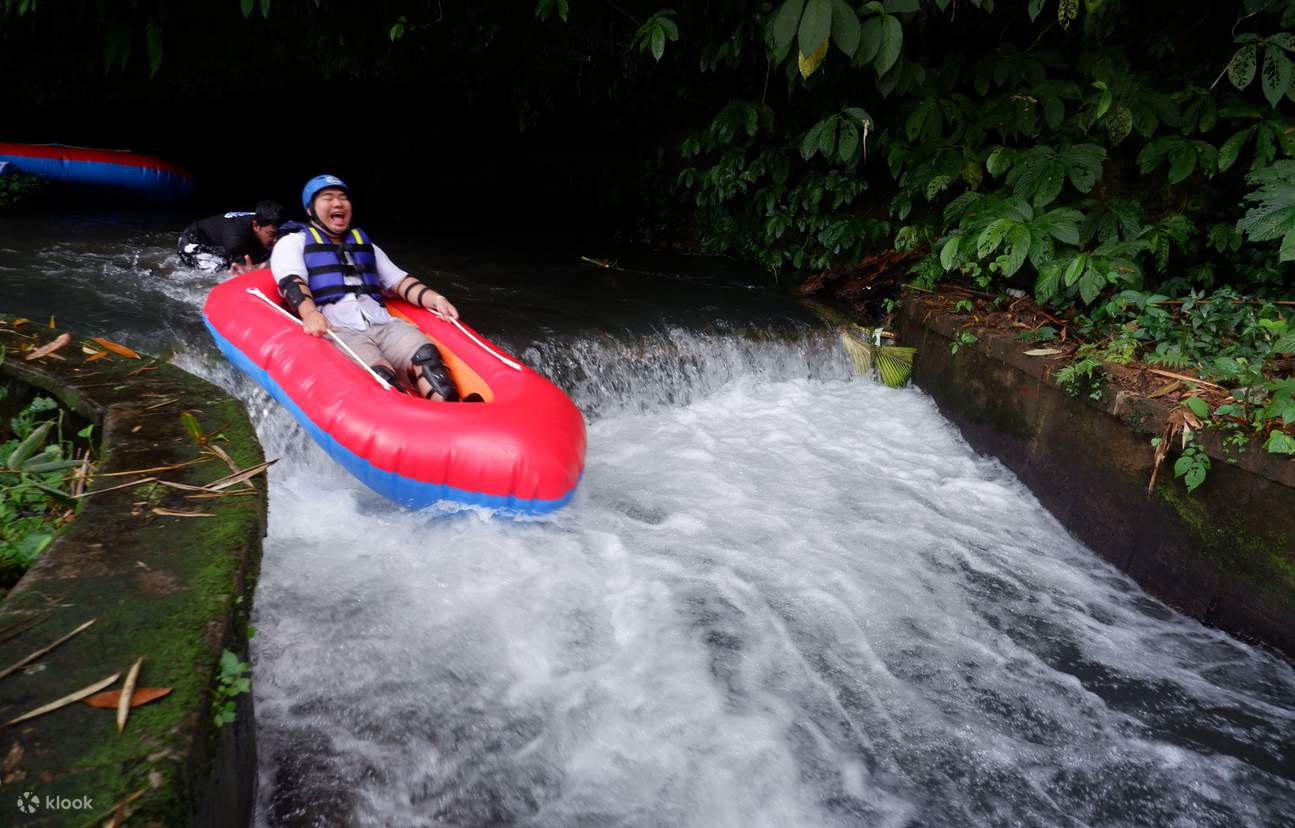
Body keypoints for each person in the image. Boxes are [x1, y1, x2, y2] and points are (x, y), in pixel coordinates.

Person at [270, 174, 463, 402]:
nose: (338, 203)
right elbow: (292, 282)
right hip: (337, 329)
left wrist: (436, 299)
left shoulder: (365, 245)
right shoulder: (293, 243)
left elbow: (399, 282)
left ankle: (452, 411)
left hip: (383, 323)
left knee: (427, 357)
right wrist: (309, 313)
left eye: (343, 198)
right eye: (328, 198)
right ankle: (409, 421)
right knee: (380, 377)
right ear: (310, 210)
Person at [178, 200, 285, 273]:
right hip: (193, 240)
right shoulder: (235, 240)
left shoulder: (274, 224)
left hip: (226, 236)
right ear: (256, 226)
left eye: (279, 234)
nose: (276, 240)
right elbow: (242, 273)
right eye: (271, 235)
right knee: (220, 273)